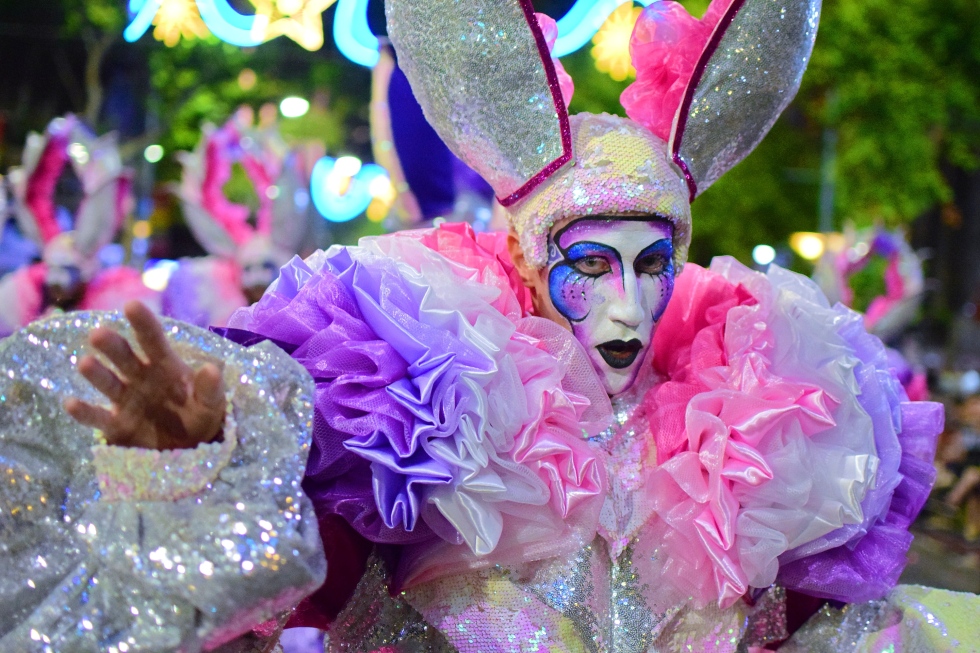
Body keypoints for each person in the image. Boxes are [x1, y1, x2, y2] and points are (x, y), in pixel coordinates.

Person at [1, 0, 976, 651]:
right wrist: (199, 463)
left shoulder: (762, 436)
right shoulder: (430, 402)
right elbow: (276, 588)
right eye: (588, 263)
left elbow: (823, 625)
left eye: (651, 263)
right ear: (526, 257)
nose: (626, 303)